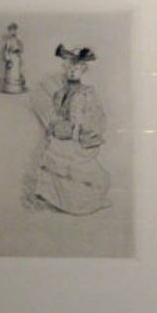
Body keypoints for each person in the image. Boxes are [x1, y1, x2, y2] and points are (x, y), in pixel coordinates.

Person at [34, 44, 111, 215]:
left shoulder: (87, 93)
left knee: (77, 164)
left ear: (83, 70)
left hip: (78, 139)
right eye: (69, 67)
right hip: (61, 136)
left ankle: (77, 202)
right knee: (52, 153)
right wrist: (55, 127)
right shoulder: (59, 93)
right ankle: (55, 197)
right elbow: (56, 114)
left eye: (76, 68)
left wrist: (77, 131)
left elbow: (95, 117)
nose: (72, 71)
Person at [2, 23, 26, 93]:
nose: (13, 32)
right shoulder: (8, 40)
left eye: (14, 30)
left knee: (17, 73)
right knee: (11, 73)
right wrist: (8, 59)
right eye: (12, 30)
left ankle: (18, 88)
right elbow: (6, 50)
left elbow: (21, 48)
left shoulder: (17, 39)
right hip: (11, 58)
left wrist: (19, 51)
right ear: (9, 31)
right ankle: (9, 89)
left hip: (16, 58)